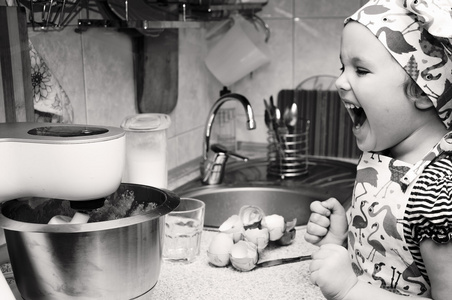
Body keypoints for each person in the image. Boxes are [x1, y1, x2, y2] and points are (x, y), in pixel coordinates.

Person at [304, 0, 452, 299]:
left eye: (360, 70)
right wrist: (340, 240)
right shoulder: (386, 153)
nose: (339, 81)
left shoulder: (439, 191)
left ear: (421, 91)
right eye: (342, 67)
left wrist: (349, 288)